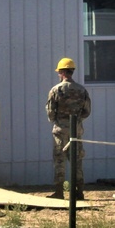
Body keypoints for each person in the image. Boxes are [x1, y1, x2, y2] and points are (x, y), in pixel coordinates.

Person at [45, 57, 91, 200]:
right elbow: (87, 111)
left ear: (63, 72)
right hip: (76, 131)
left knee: (60, 161)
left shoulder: (55, 90)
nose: (58, 74)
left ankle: (59, 192)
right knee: (76, 161)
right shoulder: (81, 90)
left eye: (59, 72)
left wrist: (58, 120)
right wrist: (76, 120)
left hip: (60, 131)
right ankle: (79, 192)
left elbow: (51, 113)